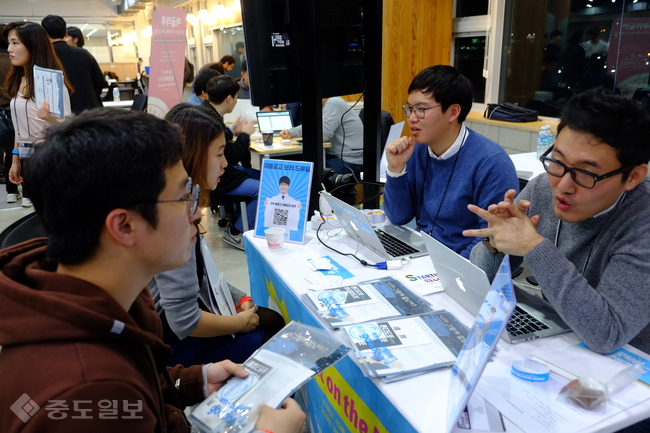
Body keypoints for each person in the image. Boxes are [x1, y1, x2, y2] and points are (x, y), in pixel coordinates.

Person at [0, 108, 305, 433]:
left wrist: (194, 381)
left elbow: (139, 383)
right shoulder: (87, 391)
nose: (194, 213)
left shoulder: (122, 301)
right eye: (183, 197)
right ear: (125, 225)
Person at [464, 88, 650, 355]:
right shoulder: (543, 188)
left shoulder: (643, 220)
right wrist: (496, 246)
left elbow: (608, 334)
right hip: (562, 340)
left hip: (629, 368)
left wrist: (534, 247)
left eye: (586, 173)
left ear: (633, 176)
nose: (562, 186)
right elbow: (484, 277)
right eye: (558, 162)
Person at [149, 103, 285, 367]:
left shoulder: (182, 202)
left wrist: (242, 300)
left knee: (272, 319)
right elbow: (184, 321)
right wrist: (239, 323)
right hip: (171, 344)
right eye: (219, 154)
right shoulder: (172, 217)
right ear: (192, 155)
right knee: (276, 339)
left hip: (186, 319)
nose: (225, 164)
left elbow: (204, 280)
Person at [383, 65, 519, 259]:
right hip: (422, 254)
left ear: (453, 112)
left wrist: (447, 270)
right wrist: (396, 169)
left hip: (460, 265)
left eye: (421, 109)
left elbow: (490, 238)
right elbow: (398, 217)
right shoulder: (418, 149)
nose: (412, 118)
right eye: (410, 109)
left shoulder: (491, 162)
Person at [4, 21, 72, 208]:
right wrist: (15, 159)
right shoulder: (19, 80)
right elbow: (19, 126)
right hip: (29, 159)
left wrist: (49, 118)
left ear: (33, 45)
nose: (10, 49)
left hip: (52, 159)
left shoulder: (49, 81)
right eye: (9, 43)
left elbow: (67, 126)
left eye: (15, 43)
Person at [202, 75, 258, 250]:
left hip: (216, 171)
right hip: (217, 176)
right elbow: (231, 156)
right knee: (262, 189)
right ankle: (235, 232)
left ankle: (238, 220)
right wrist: (245, 134)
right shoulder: (212, 119)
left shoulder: (207, 111)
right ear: (229, 98)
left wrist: (233, 130)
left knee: (259, 175)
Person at [280, 97, 364, 178]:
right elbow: (313, 125)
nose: (301, 105)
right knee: (302, 163)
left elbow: (323, 135)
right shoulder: (326, 105)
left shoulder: (333, 103)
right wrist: (291, 132)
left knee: (308, 173)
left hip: (350, 159)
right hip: (341, 155)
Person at [41, 15, 104, 114]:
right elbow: (99, 81)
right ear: (66, 33)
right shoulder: (84, 53)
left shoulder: (42, 57)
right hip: (89, 110)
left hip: (58, 113)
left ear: (44, 34)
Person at [0, 23, 19, 203]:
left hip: (2, 115)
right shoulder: (14, 60)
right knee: (21, 151)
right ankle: (28, 194)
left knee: (9, 153)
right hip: (16, 111)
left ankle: (11, 192)